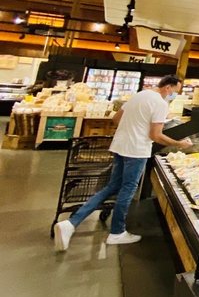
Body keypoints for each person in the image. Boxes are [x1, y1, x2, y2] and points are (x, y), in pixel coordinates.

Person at [54, 75, 191, 250]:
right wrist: (179, 143)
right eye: (175, 91)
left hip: (120, 146)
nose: (174, 96)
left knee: (111, 187)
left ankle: (71, 223)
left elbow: (116, 119)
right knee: (127, 190)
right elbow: (155, 135)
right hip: (136, 150)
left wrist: (133, 127)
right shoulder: (160, 103)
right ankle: (117, 232)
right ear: (168, 87)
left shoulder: (139, 95)